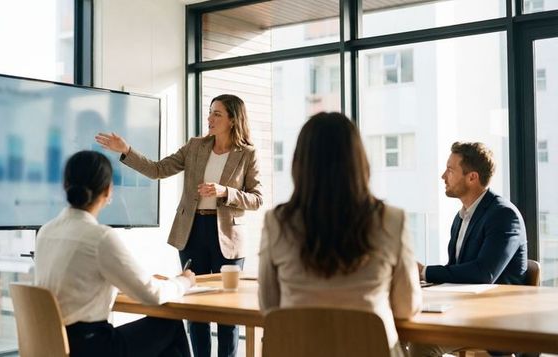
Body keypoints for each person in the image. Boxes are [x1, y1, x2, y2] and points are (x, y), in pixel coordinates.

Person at [95, 94, 263, 357]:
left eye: (217, 114)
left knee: (228, 314)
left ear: (233, 119)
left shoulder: (247, 154)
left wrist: (224, 192)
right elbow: (158, 169)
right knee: (195, 309)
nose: (210, 118)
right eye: (210, 112)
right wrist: (126, 150)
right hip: (192, 231)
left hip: (227, 237)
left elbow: (257, 198)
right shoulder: (196, 146)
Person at [258, 112, 422, 357]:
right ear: (359, 162)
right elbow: (405, 308)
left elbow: (270, 306)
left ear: (299, 164)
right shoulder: (391, 220)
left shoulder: (277, 223)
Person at [35, 150, 195, 357]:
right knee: (170, 326)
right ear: (108, 190)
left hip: (53, 343)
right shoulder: (100, 237)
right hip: (90, 347)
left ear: (65, 185)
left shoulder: (46, 231)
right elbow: (151, 294)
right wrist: (184, 281)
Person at [411, 142, 528, 357]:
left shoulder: (503, 215)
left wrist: (424, 271)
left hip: (495, 321)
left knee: (422, 345)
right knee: (406, 337)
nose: (443, 176)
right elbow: (457, 270)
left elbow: (484, 273)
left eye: (450, 169)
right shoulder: (460, 217)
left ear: (472, 177)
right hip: (464, 312)